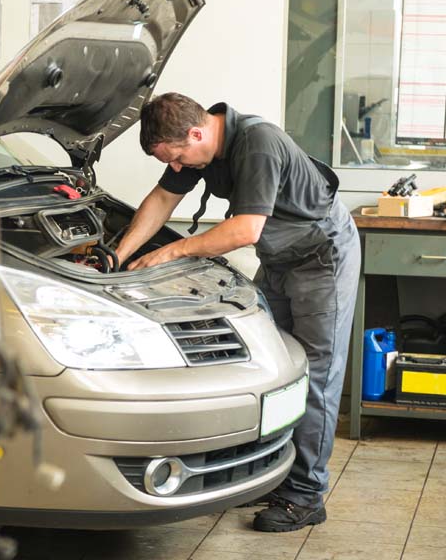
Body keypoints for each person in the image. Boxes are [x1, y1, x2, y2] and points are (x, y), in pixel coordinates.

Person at [113, 92, 360, 533]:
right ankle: (278, 474)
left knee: (315, 375)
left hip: (322, 257)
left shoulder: (257, 143)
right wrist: (118, 255)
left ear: (196, 132)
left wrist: (170, 252)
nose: (175, 167)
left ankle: (305, 496)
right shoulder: (193, 151)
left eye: (176, 157)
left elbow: (245, 229)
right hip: (282, 257)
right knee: (276, 368)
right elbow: (161, 200)